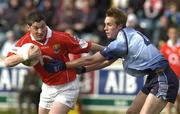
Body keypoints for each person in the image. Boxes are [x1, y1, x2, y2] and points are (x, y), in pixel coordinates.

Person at [57, 8, 179, 114]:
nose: (105, 28)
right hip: (154, 77)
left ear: (120, 25)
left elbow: (91, 59)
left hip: (163, 77)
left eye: (109, 25)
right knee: (131, 112)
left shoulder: (120, 43)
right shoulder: (127, 34)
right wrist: (83, 69)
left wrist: (65, 65)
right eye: (105, 24)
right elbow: (107, 62)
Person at [2, 11, 104, 114]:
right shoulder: (25, 42)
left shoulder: (61, 37)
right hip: (47, 88)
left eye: (43, 27)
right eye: (36, 28)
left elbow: (87, 45)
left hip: (67, 87)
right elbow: (7, 62)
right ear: (28, 27)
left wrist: (107, 49)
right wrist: (26, 56)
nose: (40, 31)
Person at [160, 26, 180, 114]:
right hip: (169, 77)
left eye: (175, 33)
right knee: (168, 101)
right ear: (168, 34)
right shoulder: (164, 47)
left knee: (178, 102)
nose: (174, 35)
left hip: (179, 78)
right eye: (171, 33)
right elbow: (161, 62)